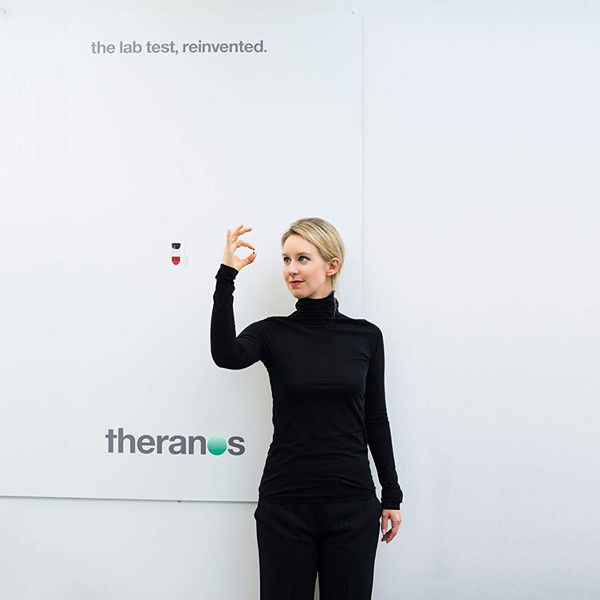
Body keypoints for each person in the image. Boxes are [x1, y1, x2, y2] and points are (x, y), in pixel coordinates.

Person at [210, 218, 403, 600]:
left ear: (332, 265)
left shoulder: (366, 336)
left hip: (352, 504)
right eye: (286, 259)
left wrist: (391, 495)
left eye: (302, 258)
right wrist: (226, 275)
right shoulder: (271, 332)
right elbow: (226, 355)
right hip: (286, 504)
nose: (291, 270)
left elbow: (375, 418)